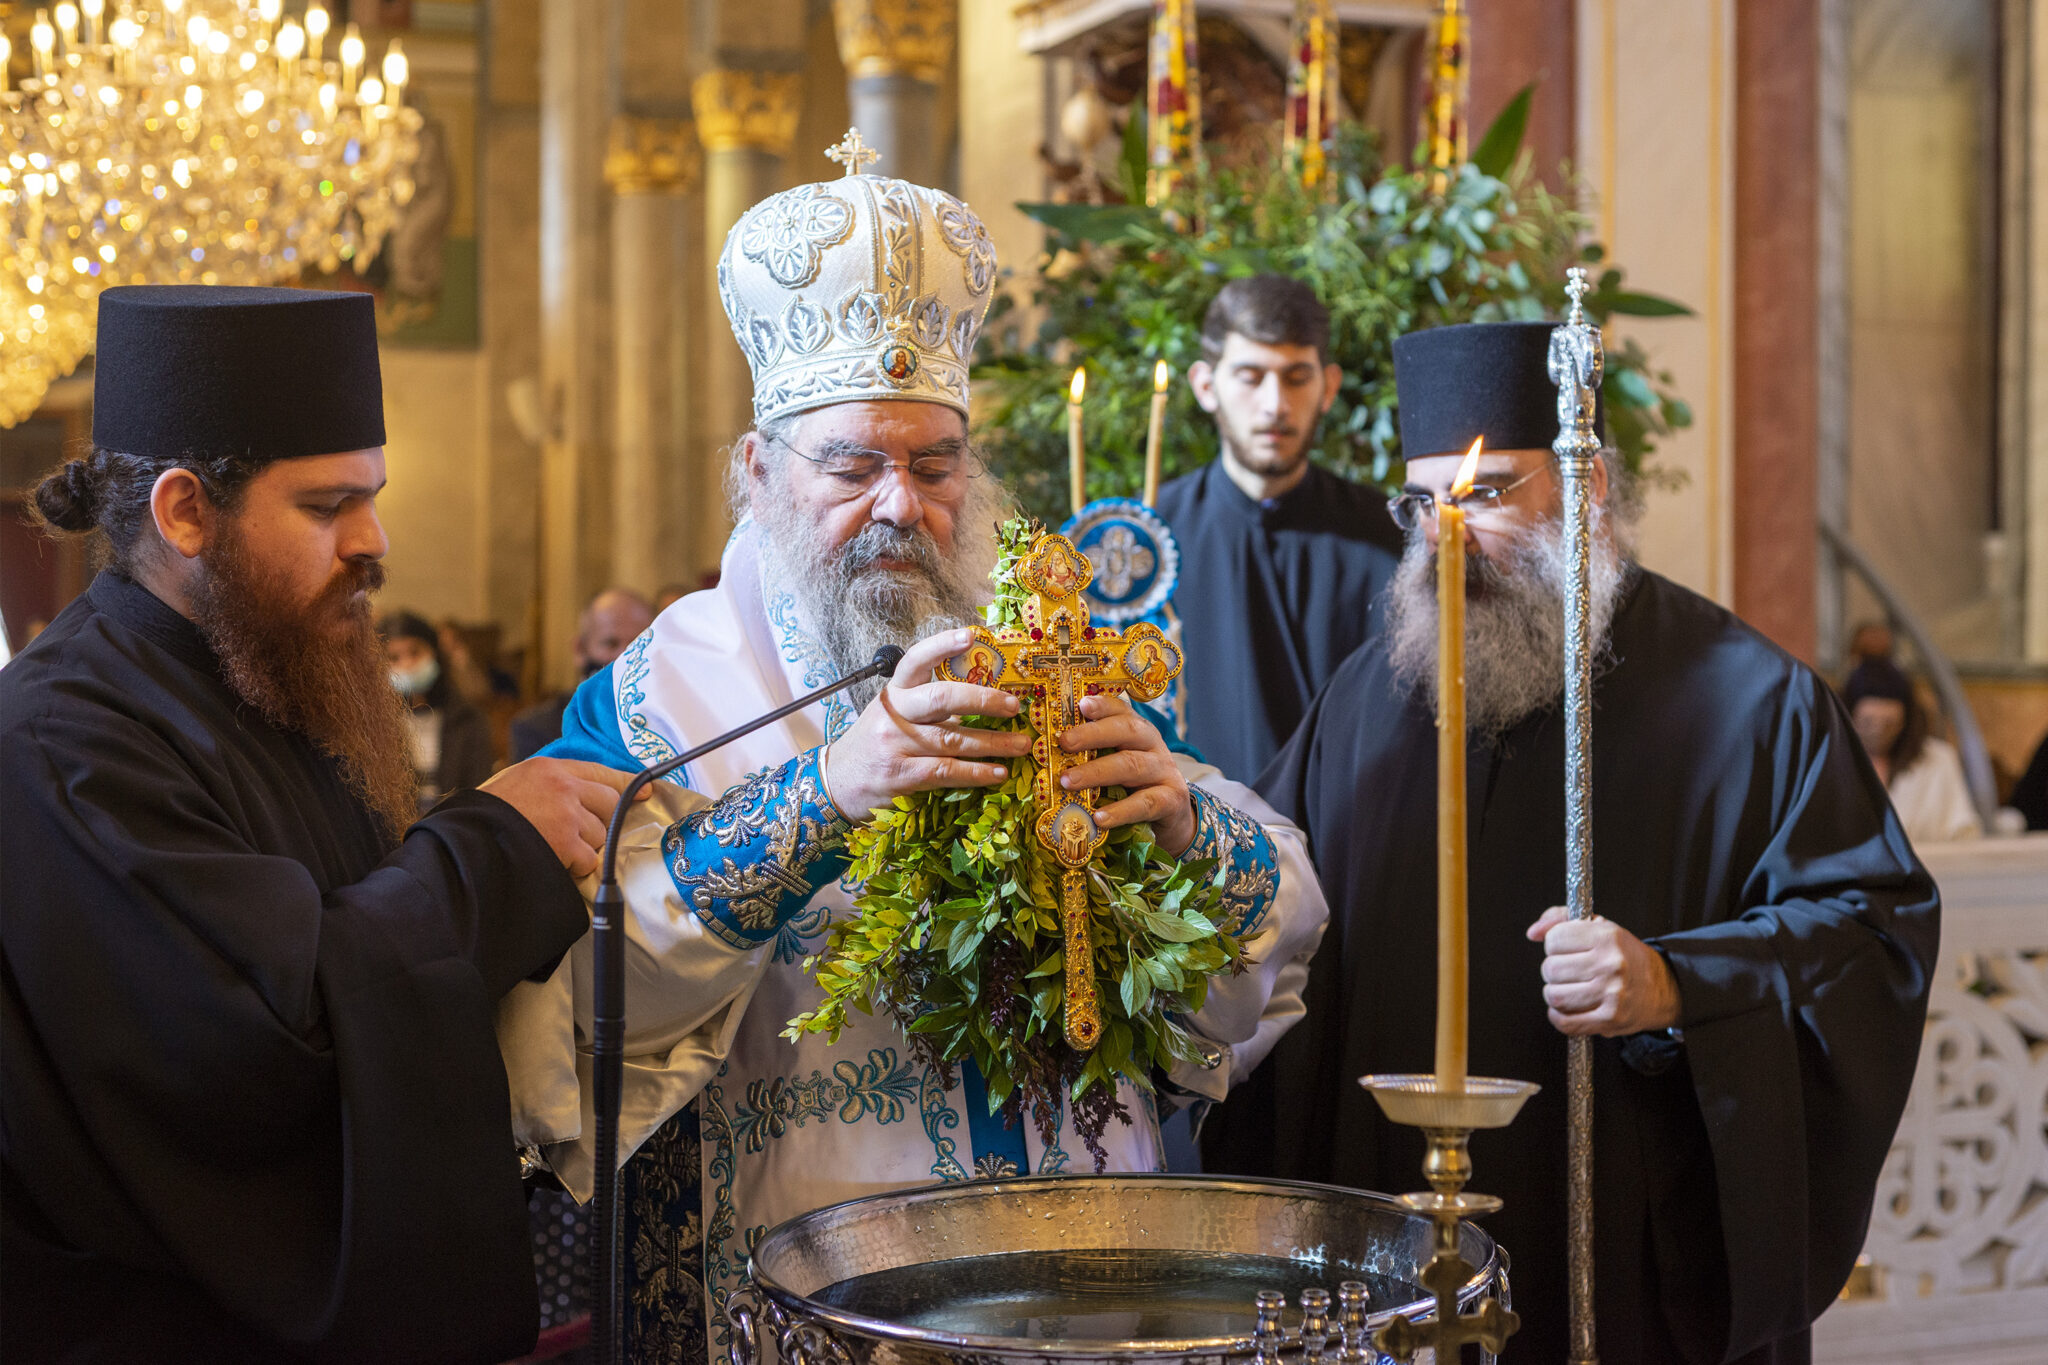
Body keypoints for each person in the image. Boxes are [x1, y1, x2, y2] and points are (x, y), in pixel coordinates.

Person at [495, 139, 1328, 1363]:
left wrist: (1186, 832)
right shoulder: (660, 700)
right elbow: (577, 998)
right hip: (786, 1298)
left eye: (932, 465)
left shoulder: (1044, 650)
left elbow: (1275, 927)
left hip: (1068, 1281)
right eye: (851, 465)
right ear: (756, 469)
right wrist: (827, 797)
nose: (900, 505)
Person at [1203, 320, 1938, 1364]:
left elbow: (1869, 931)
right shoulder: (1366, 696)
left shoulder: (1753, 703)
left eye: (1486, 492)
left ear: (1584, 488)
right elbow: (1264, 907)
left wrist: (1672, 984)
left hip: (1624, 1255)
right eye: (1422, 503)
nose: (1445, 534)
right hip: (1388, 1244)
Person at [0, 285, 644, 1362]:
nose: (373, 540)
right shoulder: (64, 740)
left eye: (372, 497)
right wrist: (491, 842)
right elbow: (259, 1035)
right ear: (184, 512)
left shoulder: (271, 681)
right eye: (326, 505)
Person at [1153, 275, 1403, 781]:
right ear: (1206, 386)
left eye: (1296, 377)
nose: (1275, 405)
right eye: (1250, 376)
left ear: (1328, 386)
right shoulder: (1146, 541)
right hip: (1183, 847)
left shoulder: (1389, 539)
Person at [508, 586, 657, 763]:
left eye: (637, 644)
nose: (625, 658)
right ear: (579, 650)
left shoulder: (669, 725)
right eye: (610, 643)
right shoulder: (538, 729)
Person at [1844, 657, 1980, 844]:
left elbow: (1964, 834)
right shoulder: (1828, 762)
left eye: (1889, 724)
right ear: (1848, 717)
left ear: (1905, 722)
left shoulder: (1937, 761)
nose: (1878, 731)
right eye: (1868, 723)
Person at [379, 608, 497, 810]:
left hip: (455, 825)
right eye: (394, 658)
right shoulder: (376, 723)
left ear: (434, 651)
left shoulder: (467, 718)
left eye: (415, 652)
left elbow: (479, 789)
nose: (407, 664)